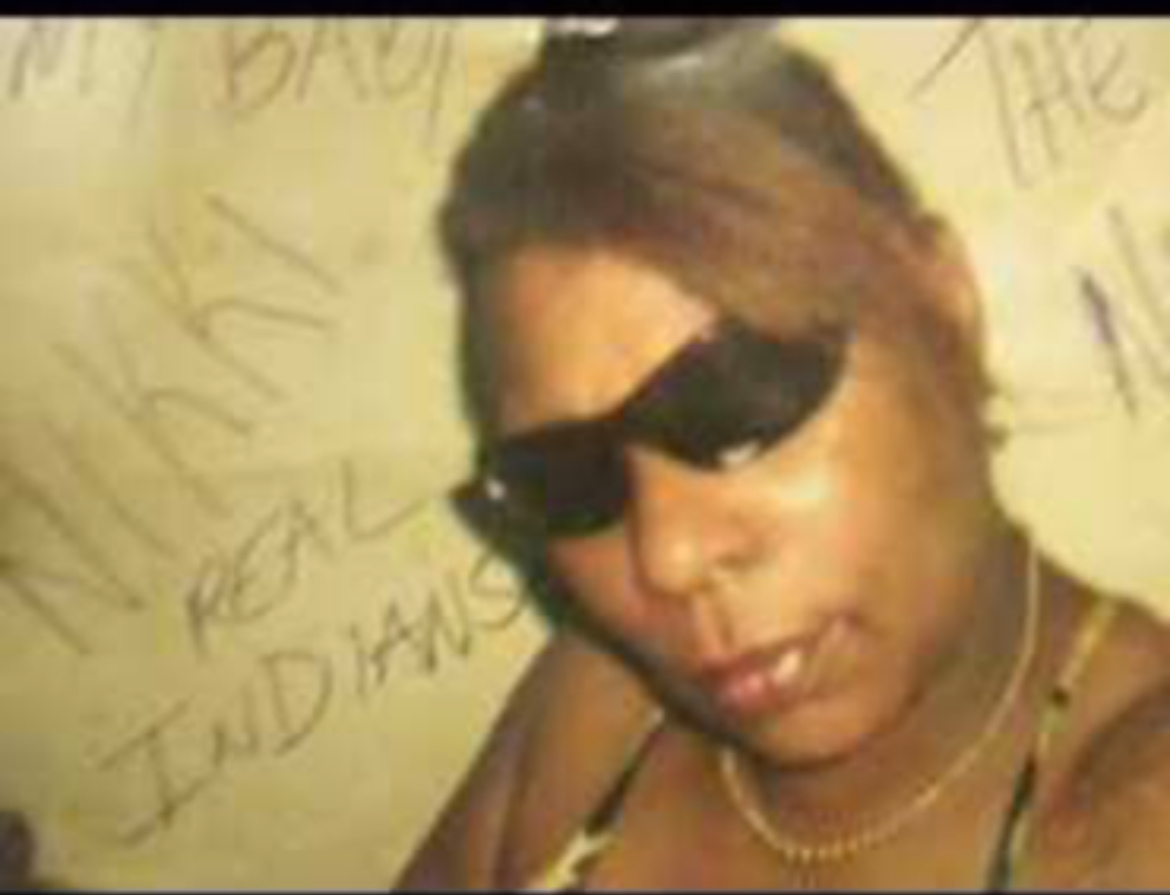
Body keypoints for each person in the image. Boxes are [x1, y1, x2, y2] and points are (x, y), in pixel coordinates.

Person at [396, 18, 1170, 890]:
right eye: (566, 478)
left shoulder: (1134, 813)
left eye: (735, 399)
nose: (669, 555)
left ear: (944, 304)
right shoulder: (604, 706)